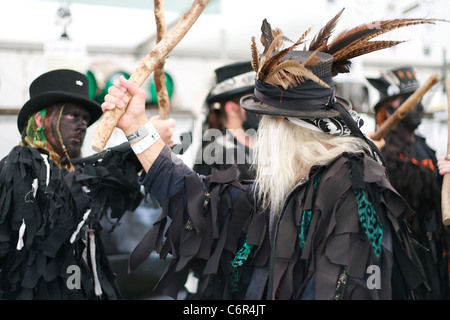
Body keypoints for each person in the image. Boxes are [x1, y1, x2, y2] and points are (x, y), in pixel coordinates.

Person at [102, 12, 439, 300]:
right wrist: (137, 127)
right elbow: (203, 201)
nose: (260, 133)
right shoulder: (289, 184)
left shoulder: (351, 187)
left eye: (265, 122)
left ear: (284, 127)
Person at [0, 68, 174, 300]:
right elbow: (60, 206)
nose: (82, 125)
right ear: (41, 119)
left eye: (85, 119)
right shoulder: (20, 166)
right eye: (72, 115)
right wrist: (141, 140)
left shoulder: (73, 170)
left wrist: (148, 144)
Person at [368, 67, 450, 299]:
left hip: (436, 252)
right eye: (410, 100)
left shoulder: (426, 148)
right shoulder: (384, 151)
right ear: (392, 107)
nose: (420, 106)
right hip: (406, 256)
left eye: (420, 99)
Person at [193, 61, 257, 180]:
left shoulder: (259, 144)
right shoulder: (217, 152)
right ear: (232, 109)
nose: (260, 108)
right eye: (253, 102)